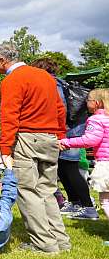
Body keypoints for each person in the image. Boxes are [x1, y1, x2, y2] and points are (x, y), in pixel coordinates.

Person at [0, 42, 69, 254]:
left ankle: (44, 245)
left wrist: (5, 149)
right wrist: (59, 134)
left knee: (27, 191)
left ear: (2, 60)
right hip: (50, 138)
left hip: (27, 138)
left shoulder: (12, 80)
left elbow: (9, 116)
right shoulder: (45, 76)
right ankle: (61, 241)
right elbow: (60, 109)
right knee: (48, 191)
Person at [31, 58, 99, 220]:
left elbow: (59, 110)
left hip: (68, 133)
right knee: (63, 169)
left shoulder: (54, 85)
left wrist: (59, 135)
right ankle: (76, 203)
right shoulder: (59, 84)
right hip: (69, 131)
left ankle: (88, 207)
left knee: (71, 169)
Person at [60, 89, 109, 225]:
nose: (85, 103)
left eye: (88, 100)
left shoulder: (95, 120)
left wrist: (66, 142)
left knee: (106, 201)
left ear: (97, 103)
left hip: (105, 164)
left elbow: (90, 140)